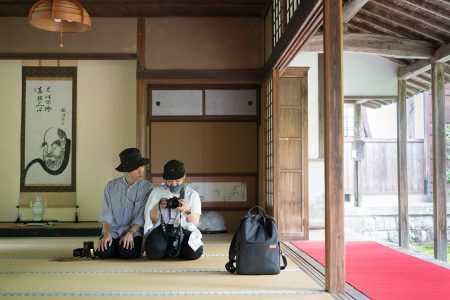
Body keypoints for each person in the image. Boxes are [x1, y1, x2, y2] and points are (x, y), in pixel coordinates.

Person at [96, 148, 153, 259]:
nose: (141, 171)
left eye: (141, 167)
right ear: (126, 169)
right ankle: (115, 246)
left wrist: (130, 233)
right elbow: (106, 213)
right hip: (114, 231)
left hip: (134, 232)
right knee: (103, 253)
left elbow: (142, 215)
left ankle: (120, 247)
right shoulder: (110, 186)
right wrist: (107, 233)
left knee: (127, 253)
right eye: (136, 168)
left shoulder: (147, 188)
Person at [144, 159, 203, 260]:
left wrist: (187, 209)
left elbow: (195, 222)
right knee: (154, 251)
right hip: (161, 229)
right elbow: (153, 220)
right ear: (165, 180)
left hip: (183, 229)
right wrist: (157, 207)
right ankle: (169, 248)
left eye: (178, 180)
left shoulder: (192, 194)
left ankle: (174, 248)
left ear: (184, 177)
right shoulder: (157, 192)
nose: (174, 184)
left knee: (194, 252)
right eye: (170, 181)